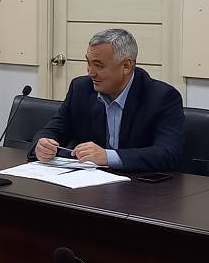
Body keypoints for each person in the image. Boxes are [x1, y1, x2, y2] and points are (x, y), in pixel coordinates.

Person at [30, 28, 184, 173]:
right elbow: (53, 130)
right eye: (88, 63)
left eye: (98, 65)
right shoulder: (81, 88)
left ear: (126, 66)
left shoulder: (162, 97)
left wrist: (108, 157)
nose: (91, 73)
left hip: (139, 185)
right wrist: (42, 145)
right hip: (89, 183)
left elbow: (168, 154)